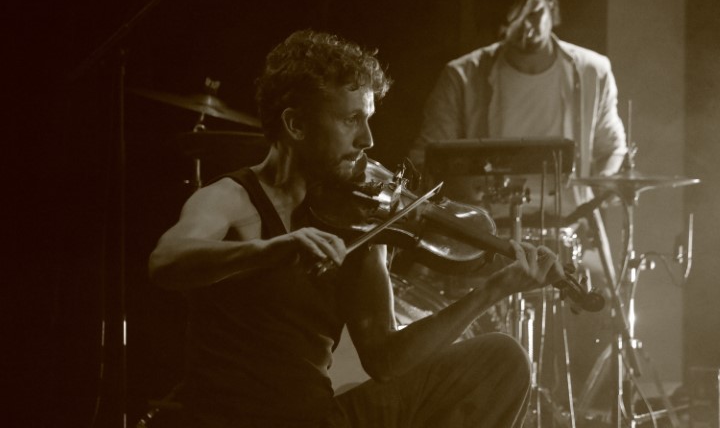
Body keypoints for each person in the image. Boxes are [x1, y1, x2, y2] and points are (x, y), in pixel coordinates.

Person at [148, 29, 566, 428]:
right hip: (226, 421)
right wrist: (275, 249)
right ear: (296, 125)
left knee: (501, 361)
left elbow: (385, 360)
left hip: (316, 421)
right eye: (351, 120)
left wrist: (492, 290)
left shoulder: (360, 221)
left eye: (368, 119)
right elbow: (166, 260)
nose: (367, 139)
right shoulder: (232, 197)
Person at [409, 0, 627, 221]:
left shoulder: (592, 71)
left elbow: (612, 148)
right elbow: (426, 160)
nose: (528, 29)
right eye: (515, 20)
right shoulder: (462, 77)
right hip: (486, 234)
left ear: (550, 0)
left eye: (534, 13)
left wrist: (608, 179)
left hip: (569, 228)